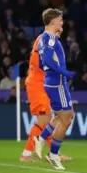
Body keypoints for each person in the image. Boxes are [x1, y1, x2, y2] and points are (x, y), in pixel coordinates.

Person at [33, 9, 76, 171]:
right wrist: (65, 73)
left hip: (52, 82)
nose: (62, 22)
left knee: (64, 115)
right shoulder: (50, 39)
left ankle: (41, 138)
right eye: (60, 20)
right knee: (66, 119)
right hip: (57, 84)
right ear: (52, 22)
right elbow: (46, 60)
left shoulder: (42, 38)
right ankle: (53, 155)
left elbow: (39, 63)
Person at [20, 26, 71, 163]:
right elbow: (38, 63)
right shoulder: (44, 40)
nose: (62, 27)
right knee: (44, 120)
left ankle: (53, 152)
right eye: (60, 23)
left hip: (44, 84)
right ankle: (26, 153)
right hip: (37, 84)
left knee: (52, 119)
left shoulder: (49, 40)